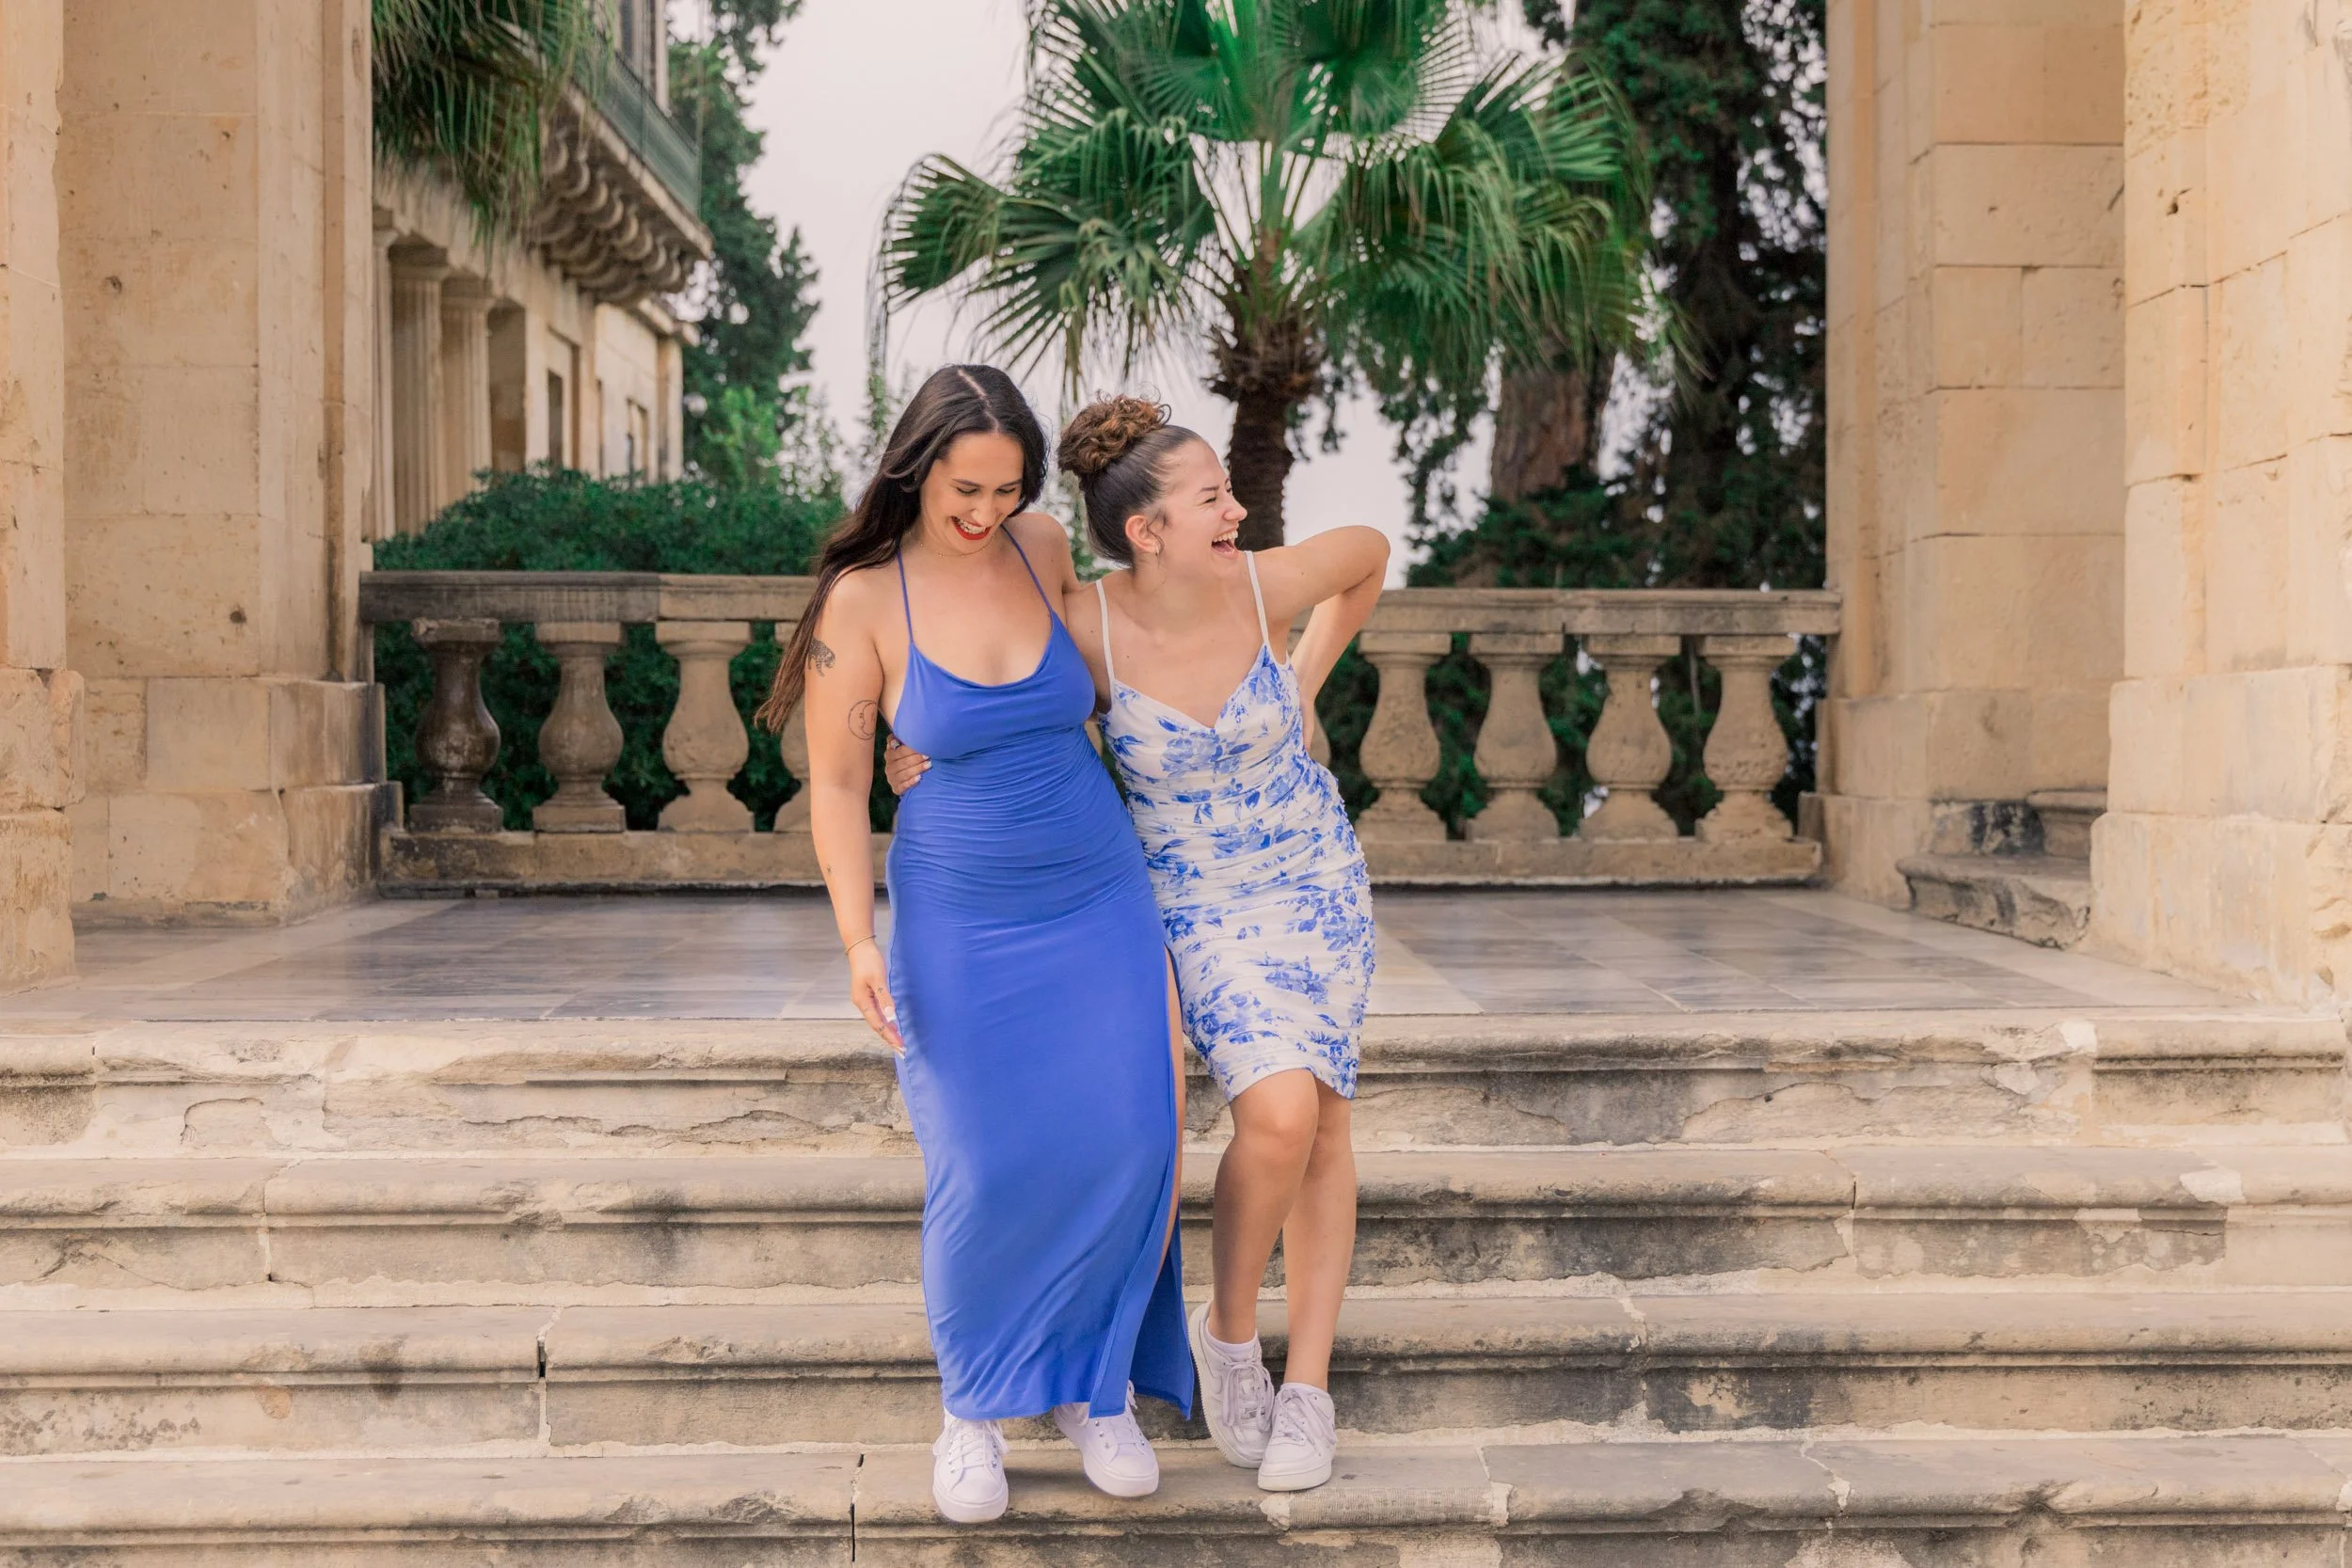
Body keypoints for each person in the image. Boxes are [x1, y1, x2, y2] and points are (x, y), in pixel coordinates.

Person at [887, 395, 1387, 1492]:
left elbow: (1367, 554)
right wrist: (911, 749)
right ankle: (1225, 1330)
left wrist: (1302, 677)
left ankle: (1305, 1387)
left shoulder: (1261, 585)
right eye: (1213, 496)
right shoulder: (1089, 629)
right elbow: (990, 685)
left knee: (1326, 1119)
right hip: (1192, 901)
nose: (1237, 508)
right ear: (1148, 529)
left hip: (1313, 875)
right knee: (1278, 1111)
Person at [759, 367, 1191, 1526]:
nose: (984, 512)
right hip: (958, 914)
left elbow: (1118, 666)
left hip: (1098, 890)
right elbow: (841, 786)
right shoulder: (863, 599)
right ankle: (973, 1409)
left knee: (1133, 1135)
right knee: (982, 1168)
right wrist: (857, 937)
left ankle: (1095, 1392)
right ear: (916, 466)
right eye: (965, 487)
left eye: (1006, 489)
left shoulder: (1043, 547)